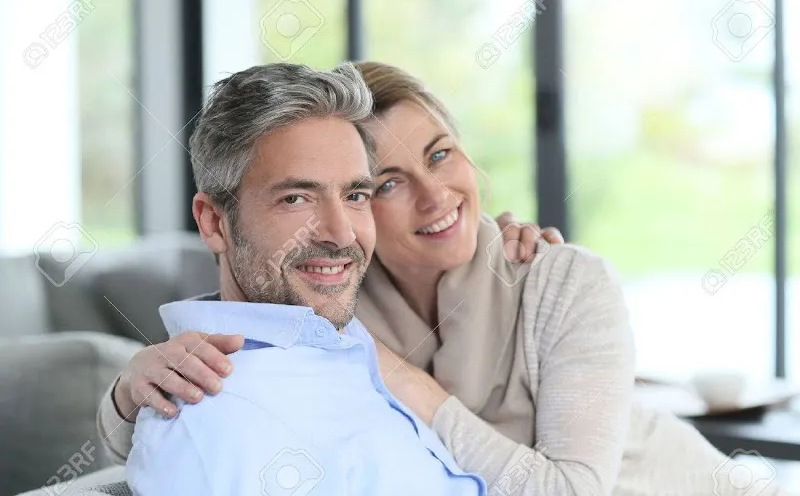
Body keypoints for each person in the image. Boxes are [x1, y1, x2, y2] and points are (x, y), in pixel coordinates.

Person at [100, 62, 788, 496]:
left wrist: (406, 379)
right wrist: (130, 393)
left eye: (442, 154)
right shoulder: (334, 294)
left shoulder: (559, 279)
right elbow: (241, 352)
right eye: (392, 183)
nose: (437, 197)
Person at [125, 62, 486, 495]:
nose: (341, 234)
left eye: (355, 195)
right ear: (214, 222)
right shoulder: (218, 418)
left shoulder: (340, 342)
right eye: (296, 198)